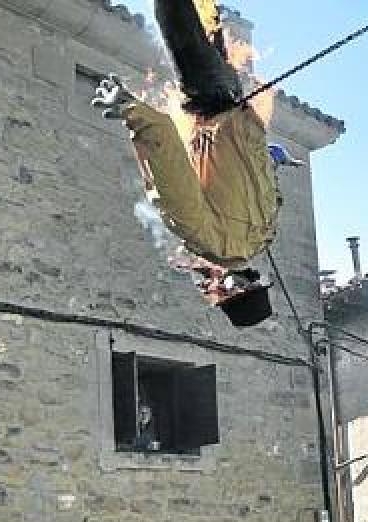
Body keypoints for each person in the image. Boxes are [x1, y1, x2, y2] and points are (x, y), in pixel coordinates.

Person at [91, 0, 282, 325]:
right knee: (169, 10)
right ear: (232, 286)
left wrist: (275, 155)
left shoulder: (264, 233)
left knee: (199, 13)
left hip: (231, 95)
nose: (208, 291)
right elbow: (170, 167)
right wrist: (131, 110)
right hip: (209, 98)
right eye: (219, 294)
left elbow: (251, 170)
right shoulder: (206, 237)